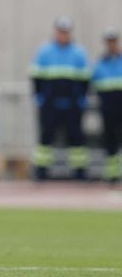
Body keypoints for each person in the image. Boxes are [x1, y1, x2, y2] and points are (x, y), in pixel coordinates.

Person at [30, 16, 90, 181]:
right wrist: (39, 98)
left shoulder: (78, 53)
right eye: (60, 32)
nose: (63, 35)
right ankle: (41, 170)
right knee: (46, 137)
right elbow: (36, 78)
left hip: (72, 104)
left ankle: (79, 171)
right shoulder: (45, 52)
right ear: (56, 32)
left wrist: (80, 100)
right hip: (50, 104)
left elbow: (85, 80)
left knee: (76, 137)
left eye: (65, 32)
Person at [91, 27, 122, 183]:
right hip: (108, 108)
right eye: (109, 42)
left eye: (113, 42)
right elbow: (94, 84)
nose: (111, 45)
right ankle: (113, 174)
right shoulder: (101, 63)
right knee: (110, 140)